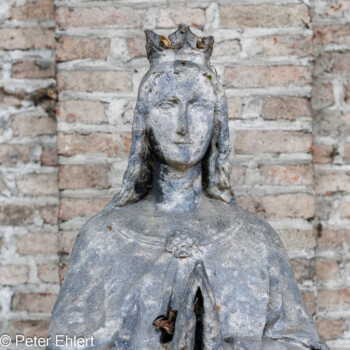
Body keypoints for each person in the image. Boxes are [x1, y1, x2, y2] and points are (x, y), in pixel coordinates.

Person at [47, 25, 328, 350]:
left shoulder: (256, 239)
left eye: (197, 106)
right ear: (145, 120)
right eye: (168, 105)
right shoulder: (103, 238)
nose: (184, 125)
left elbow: (302, 343)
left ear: (216, 120)